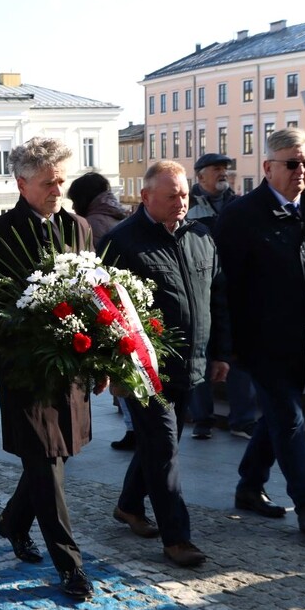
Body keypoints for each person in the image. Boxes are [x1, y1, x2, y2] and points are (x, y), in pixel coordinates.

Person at [0, 137, 95, 599]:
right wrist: (21, 329)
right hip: (25, 368)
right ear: (21, 183)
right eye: (47, 183)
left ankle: (12, 520)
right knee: (43, 457)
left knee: (55, 456)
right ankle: (70, 563)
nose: (57, 189)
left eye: (62, 180)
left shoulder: (79, 227)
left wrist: (98, 352)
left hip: (71, 365)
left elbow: (93, 291)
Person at [216, 127, 305, 535]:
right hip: (262, 342)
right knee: (290, 418)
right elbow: (221, 286)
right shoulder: (241, 216)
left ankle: (249, 485)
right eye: (292, 164)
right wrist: (228, 345)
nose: (301, 171)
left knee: (277, 417)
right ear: (268, 167)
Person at [99, 160, 230, 568]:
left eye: (184, 195)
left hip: (189, 363)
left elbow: (217, 297)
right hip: (144, 369)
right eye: (171, 196)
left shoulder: (200, 235)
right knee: (164, 448)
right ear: (146, 197)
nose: (180, 203)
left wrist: (220, 352)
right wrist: (113, 367)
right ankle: (177, 538)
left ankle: (128, 506)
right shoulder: (122, 241)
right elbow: (106, 309)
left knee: (161, 445)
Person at [184, 153, 259, 441]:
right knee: (200, 354)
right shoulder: (187, 207)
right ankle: (203, 419)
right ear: (200, 176)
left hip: (236, 292)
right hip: (201, 292)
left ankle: (242, 419)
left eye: (225, 169)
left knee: (239, 357)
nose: (223, 174)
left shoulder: (239, 205)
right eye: (216, 170)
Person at [66, 172, 136, 450]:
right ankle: (135, 425)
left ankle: (134, 429)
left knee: (118, 369)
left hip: (108, 304)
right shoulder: (118, 214)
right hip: (126, 300)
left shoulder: (91, 223)